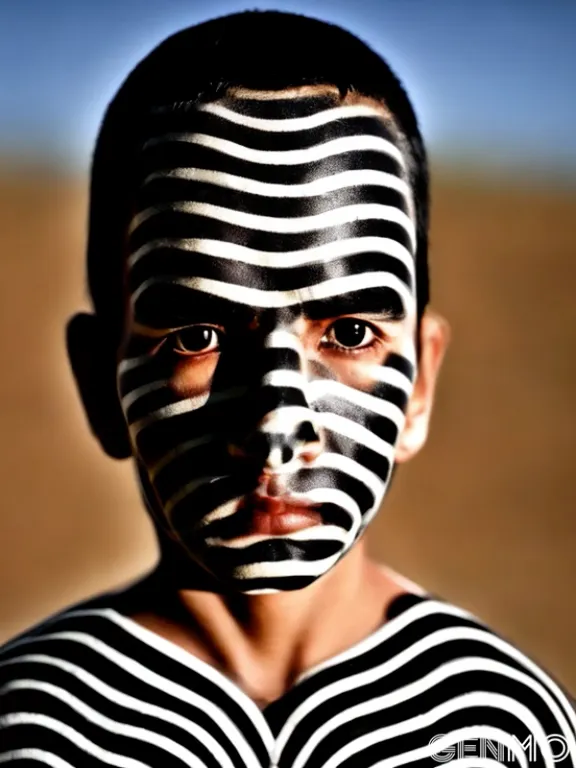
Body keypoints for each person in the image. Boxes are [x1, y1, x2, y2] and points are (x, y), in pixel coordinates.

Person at [1, 9, 574, 767]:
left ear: (421, 381)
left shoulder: (503, 726)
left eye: (348, 333)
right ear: (99, 383)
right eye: (196, 337)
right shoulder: (34, 728)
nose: (277, 422)